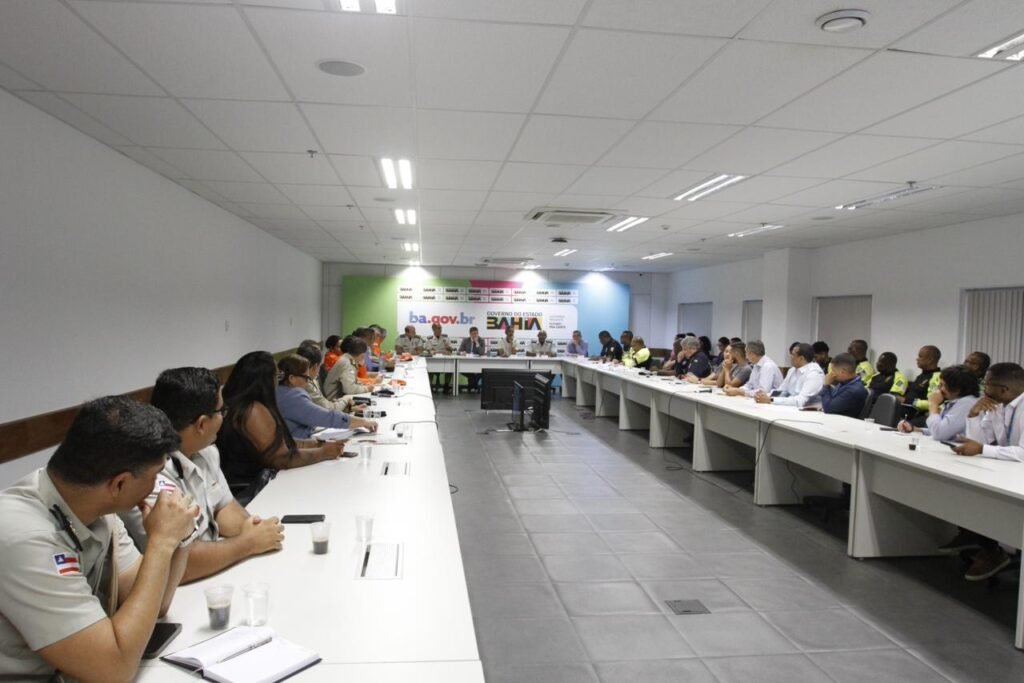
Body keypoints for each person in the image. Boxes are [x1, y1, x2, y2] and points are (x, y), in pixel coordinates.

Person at [0, 396, 196, 681]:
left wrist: (181, 536)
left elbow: (155, 601)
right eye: (155, 475)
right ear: (120, 483)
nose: (158, 486)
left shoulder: (93, 507)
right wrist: (161, 543)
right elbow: (113, 670)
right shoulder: (24, 537)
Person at [120, 367, 286, 583]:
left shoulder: (206, 451)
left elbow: (223, 507)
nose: (224, 416)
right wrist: (247, 544)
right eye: (221, 411)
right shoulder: (149, 475)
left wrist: (255, 529)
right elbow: (180, 562)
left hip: (214, 571)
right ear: (201, 424)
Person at [218, 351, 345, 491]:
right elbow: (282, 458)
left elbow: (278, 442)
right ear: (265, 380)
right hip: (255, 488)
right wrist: (324, 453)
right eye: (276, 376)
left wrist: (315, 443)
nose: (277, 382)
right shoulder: (253, 410)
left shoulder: (242, 405)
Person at [945, 363, 1024, 580]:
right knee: (967, 488)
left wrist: (982, 449)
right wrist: (973, 415)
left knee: (985, 499)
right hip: (1007, 471)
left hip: (1019, 477)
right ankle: (977, 539)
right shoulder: (997, 405)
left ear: (1004, 389)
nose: (983, 389)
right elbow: (979, 441)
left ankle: (990, 549)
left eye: (987, 385)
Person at [276, 355, 376, 438]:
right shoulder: (292, 396)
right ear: (292, 378)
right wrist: (363, 422)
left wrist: (349, 410)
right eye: (306, 378)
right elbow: (325, 416)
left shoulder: (281, 392)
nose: (307, 383)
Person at [898, 365, 978, 442]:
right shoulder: (955, 401)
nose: (939, 388)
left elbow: (939, 434)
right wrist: (915, 429)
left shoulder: (967, 404)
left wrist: (933, 404)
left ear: (956, 389)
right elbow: (939, 429)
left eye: (942, 385)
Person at [756, 342, 824, 408]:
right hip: (791, 408)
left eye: (793, 354)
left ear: (801, 358)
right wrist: (764, 396)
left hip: (808, 411)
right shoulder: (792, 370)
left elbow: (800, 401)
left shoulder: (814, 374)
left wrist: (771, 400)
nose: (790, 357)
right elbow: (781, 391)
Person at [818, 353, 869, 418]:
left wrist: (826, 385)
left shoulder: (853, 390)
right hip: (834, 418)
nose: (831, 373)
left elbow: (828, 409)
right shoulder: (844, 383)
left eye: (833, 370)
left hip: (843, 422)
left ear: (842, 372)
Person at [324, 336, 372, 400]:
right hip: (335, 401)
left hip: (339, 398)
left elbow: (352, 382)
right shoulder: (347, 364)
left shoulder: (346, 358)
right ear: (362, 355)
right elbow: (349, 389)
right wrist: (366, 389)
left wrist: (363, 386)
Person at [905, 345, 943, 418]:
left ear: (930, 359)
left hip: (919, 416)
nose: (917, 359)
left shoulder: (937, 377)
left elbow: (933, 402)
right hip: (907, 411)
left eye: (920, 356)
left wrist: (907, 401)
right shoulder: (921, 376)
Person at [422, 323, 453, 393]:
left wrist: (447, 347)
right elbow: (428, 350)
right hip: (433, 361)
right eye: (438, 328)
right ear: (433, 329)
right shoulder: (429, 339)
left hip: (444, 360)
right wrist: (440, 351)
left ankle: (446, 386)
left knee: (450, 369)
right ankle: (430, 386)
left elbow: (450, 351)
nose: (440, 330)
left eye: (441, 328)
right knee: (429, 370)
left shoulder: (446, 338)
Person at [458, 326, 486, 392]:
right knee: (471, 375)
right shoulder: (465, 340)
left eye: (477, 333)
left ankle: (472, 386)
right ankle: (474, 385)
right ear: (470, 334)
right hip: (467, 364)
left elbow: (482, 353)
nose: (475, 335)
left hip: (478, 364)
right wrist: (462, 353)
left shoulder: (481, 340)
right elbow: (458, 351)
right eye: (474, 334)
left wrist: (477, 343)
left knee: (479, 374)